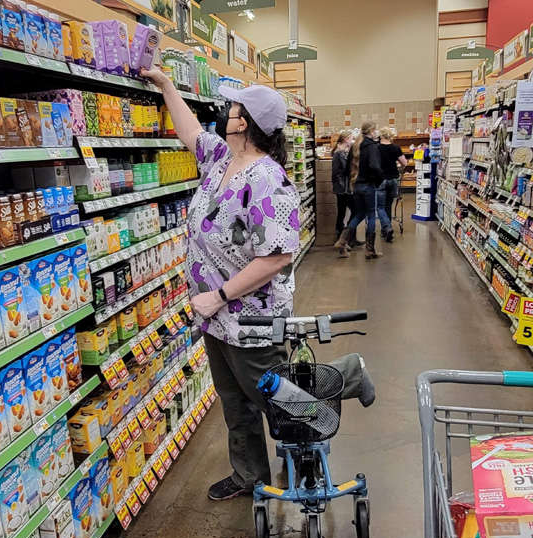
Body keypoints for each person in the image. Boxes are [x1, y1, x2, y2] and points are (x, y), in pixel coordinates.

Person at [141, 66, 300, 501]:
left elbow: (279, 254)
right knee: (236, 404)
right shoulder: (221, 162)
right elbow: (191, 132)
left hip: (249, 316)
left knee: (277, 400)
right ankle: (250, 476)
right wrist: (166, 85)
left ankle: (344, 384)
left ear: (243, 121)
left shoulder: (268, 179)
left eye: (231, 108)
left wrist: (221, 295)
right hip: (216, 318)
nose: (223, 112)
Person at [333, 120, 384, 259]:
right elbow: (375, 166)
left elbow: (348, 166)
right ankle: (370, 249)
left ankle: (342, 241)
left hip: (356, 185)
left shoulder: (356, 145)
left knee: (359, 214)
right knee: (371, 215)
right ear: (372, 131)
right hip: (368, 185)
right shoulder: (371, 147)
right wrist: (379, 179)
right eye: (376, 130)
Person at [331, 130, 364, 254]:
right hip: (343, 188)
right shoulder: (339, 154)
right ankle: (346, 238)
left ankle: (348, 238)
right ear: (346, 140)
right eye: (350, 139)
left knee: (343, 212)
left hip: (341, 187)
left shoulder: (339, 152)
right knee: (353, 211)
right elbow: (344, 170)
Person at [376, 126, 407, 243]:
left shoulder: (376, 148)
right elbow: (404, 163)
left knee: (379, 206)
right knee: (388, 205)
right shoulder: (396, 148)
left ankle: (387, 227)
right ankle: (386, 229)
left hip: (380, 180)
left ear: (381, 136)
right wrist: (396, 165)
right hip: (393, 180)